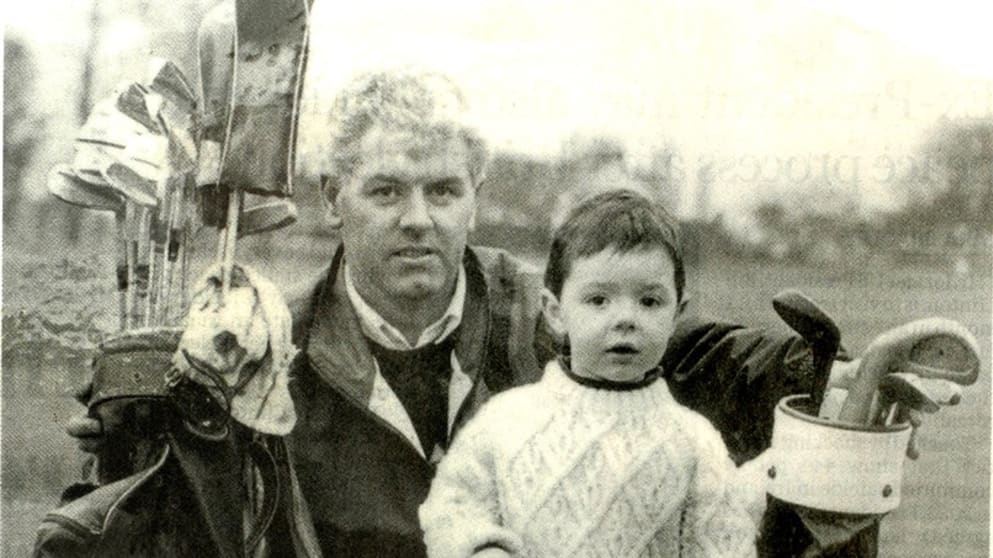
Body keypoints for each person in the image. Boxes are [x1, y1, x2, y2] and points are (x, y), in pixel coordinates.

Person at [58, 67, 951, 558]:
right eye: (386, 189)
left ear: (476, 197)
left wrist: (814, 375)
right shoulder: (264, 355)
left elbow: (692, 351)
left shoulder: (541, 309)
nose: (417, 217)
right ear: (334, 197)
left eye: (443, 188)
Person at [420, 190, 761, 558]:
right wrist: (481, 546)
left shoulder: (694, 441)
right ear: (554, 312)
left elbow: (726, 544)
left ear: (677, 313)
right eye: (598, 300)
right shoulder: (507, 419)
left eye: (649, 301)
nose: (625, 319)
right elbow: (451, 507)